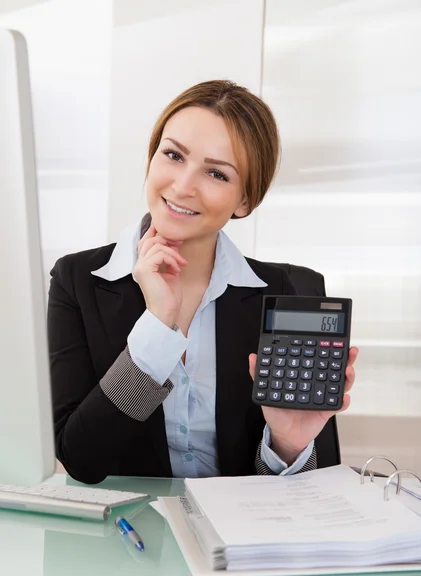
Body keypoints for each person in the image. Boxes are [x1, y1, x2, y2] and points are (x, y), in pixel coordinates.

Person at [48, 80, 358, 484]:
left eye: (216, 173)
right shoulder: (78, 281)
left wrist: (287, 445)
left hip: (241, 537)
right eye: (173, 155)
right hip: (133, 537)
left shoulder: (286, 292)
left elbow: (304, 497)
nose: (182, 186)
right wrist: (158, 326)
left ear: (245, 200)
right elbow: (82, 459)